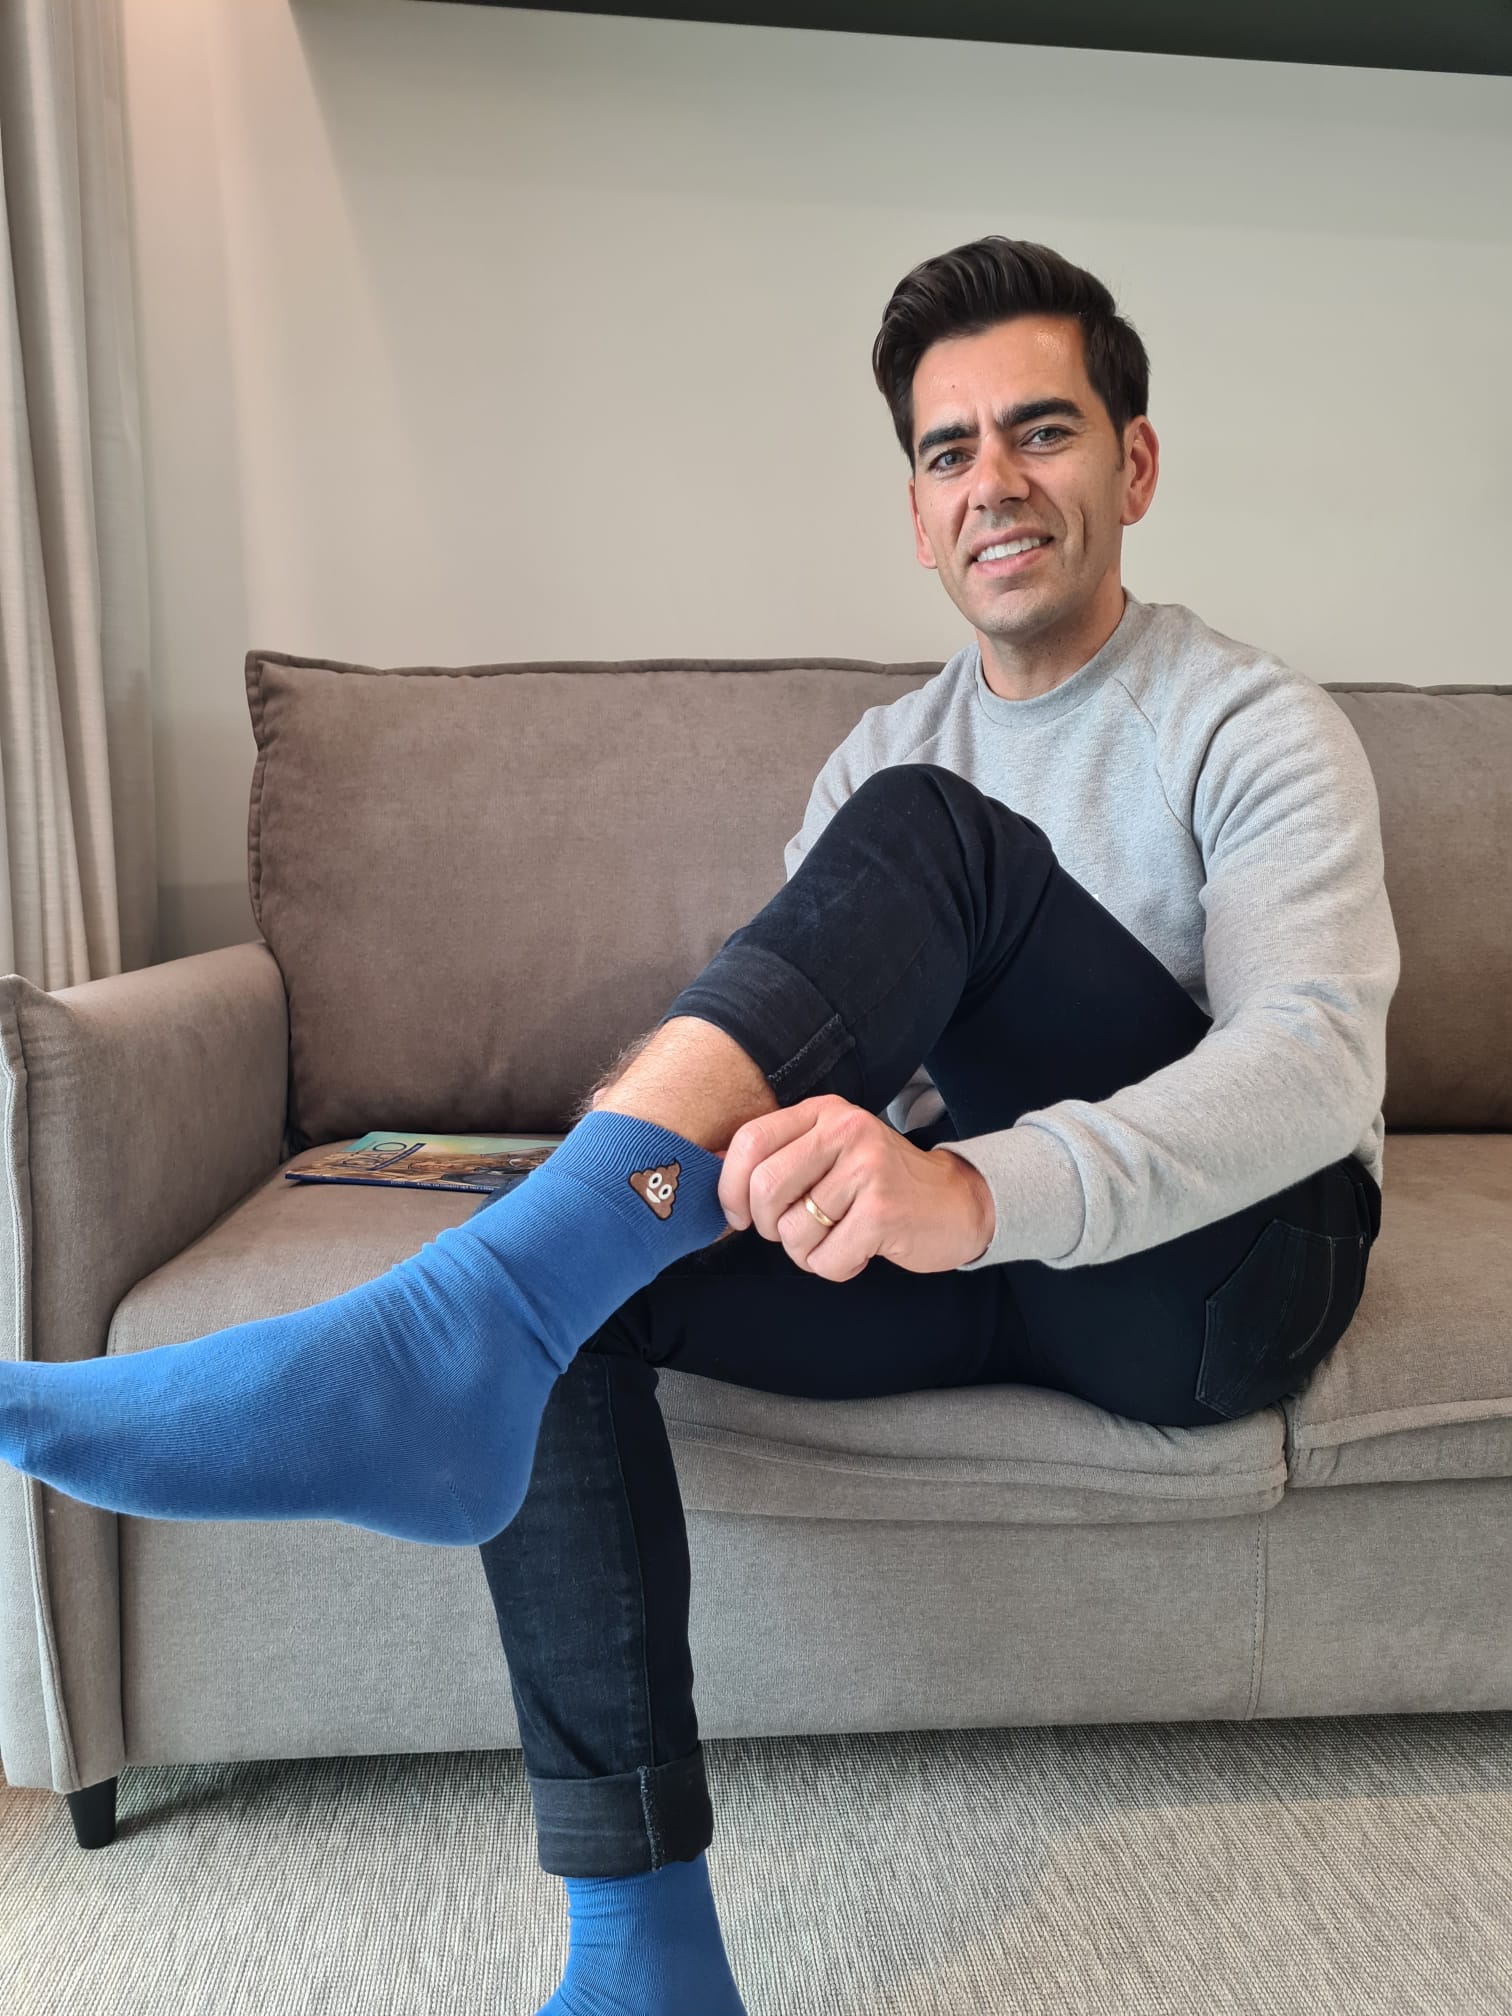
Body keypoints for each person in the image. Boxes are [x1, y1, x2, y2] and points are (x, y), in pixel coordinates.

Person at [0, 236, 1400, 2016]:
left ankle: (453, 1327)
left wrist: (974, 1188)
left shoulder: (1249, 721)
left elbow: (1310, 1065)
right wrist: (761, 1169)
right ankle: (644, 1955)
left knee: (932, 842)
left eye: (1041, 432)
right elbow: (804, 1072)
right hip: (974, 1258)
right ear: (917, 514)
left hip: (1221, 1276)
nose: (993, 481)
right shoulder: (878, 752)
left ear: (1132, 465)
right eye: (949, 450)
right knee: (578, 1276)